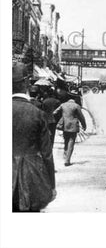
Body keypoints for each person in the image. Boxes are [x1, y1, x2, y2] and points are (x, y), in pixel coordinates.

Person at [12, 63, 56, 212]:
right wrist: (52, 185)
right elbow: (47, 154)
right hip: (31, 179)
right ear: (26, 82)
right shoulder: (37, 113)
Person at [53, 98, 87, 166]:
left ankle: (65, 156)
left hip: (65, 125)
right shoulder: (76, 106)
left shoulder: (63, 105)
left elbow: (54, 112)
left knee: (66, 141)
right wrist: (84, 125)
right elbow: (81, 117)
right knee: (71, 142)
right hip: (73, 126)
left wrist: (61, 118)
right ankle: (67, 160)